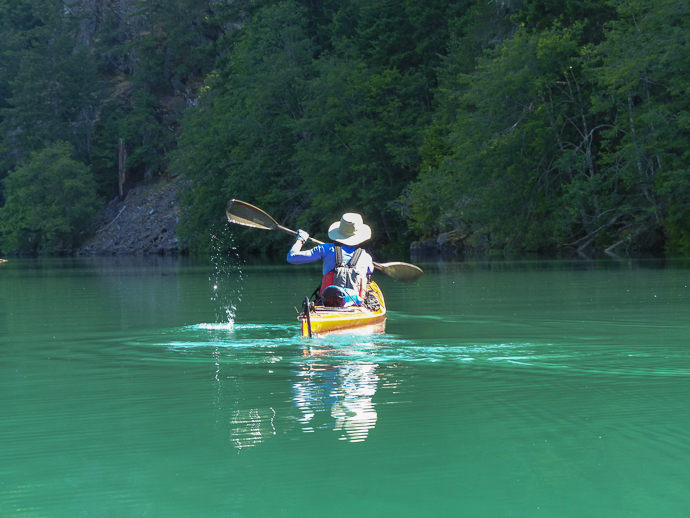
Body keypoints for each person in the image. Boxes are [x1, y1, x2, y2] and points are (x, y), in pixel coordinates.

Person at [287, 213, 375, 306]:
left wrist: (301, 239)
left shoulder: (325, 249)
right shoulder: (366, 257)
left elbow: (291, 257)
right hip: (356, 305)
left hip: (327, 304)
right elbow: (370, 270)